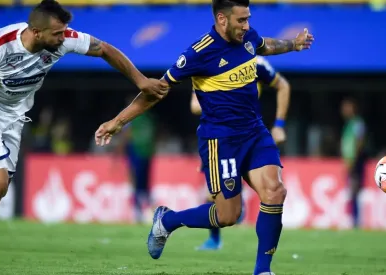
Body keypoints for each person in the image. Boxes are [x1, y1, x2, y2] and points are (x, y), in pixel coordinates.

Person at [0, 1, 168, 274]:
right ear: (36, 32)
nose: (64, 38)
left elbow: (105, 49)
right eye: (57, 34)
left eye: (64, 32)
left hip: (15, 118)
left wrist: (141, 81)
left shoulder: (63, 39)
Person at [94, 0, 313, 274]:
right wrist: (118, 121)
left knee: (275, 191)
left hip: (255, 131)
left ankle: (262, 270)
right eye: (240, 20)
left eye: (248, 19)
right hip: (221, 141)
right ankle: (168, 221)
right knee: (228, 215)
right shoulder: (198, 53)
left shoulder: (248, 37)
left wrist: (293, 44)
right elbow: (156, 91)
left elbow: (264, 45)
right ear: (222, 19)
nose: (246, 26)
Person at [192, 56, 291, 250]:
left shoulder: (254, 63)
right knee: (211, 196)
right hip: (217, 138)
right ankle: (211, 235)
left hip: (248, 135)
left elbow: (283, 86)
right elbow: (194, 106)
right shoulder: (205, 63)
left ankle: (261, 265)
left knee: (272, 189)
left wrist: (279, 124)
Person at [340, 97, 367, 229]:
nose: (344, 110)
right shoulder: (349, 124)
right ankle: (353, 219)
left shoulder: (357, 123)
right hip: (350, 161)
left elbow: (359, 141)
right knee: (352, 191)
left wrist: (354, 160)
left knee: (354, 190)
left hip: (355, 162)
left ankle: (356, 221)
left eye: (347, 107)